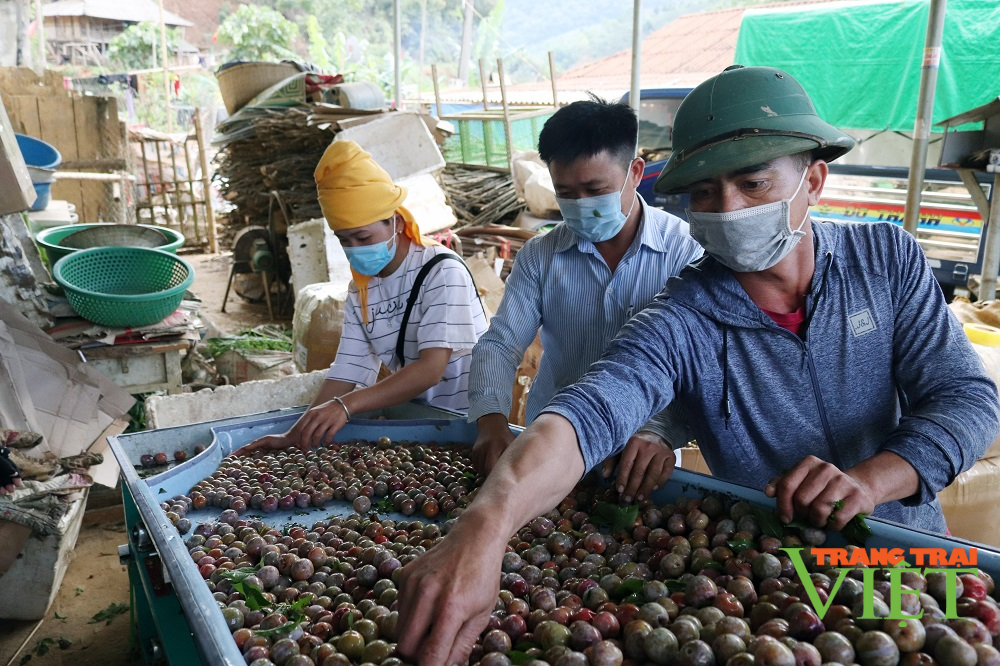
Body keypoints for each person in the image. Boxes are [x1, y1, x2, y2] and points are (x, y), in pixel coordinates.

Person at [394, 65, 1000, 663]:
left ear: (812, 181)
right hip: (774, 580)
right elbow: (590, 410)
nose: (728, 208)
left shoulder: (885, 260)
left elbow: (969, 399)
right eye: (706, 192)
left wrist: (870, 482)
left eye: (753, 184)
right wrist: (483, 529)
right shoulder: (683, 312)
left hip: (905, 558)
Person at [468, 97, 703, 501]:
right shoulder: (541, 257)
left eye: (595, 191)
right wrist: (490, 419)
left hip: (642, 454)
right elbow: (501, 343)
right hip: (551, 446)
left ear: (635, 172)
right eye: (566, 194)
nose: (580, 207)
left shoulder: (685, 252)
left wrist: (660, 431)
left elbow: (700, 363)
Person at [241, 141, 487, 453]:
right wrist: (295, 434)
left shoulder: (442, 272)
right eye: (345, 240)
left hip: (469, 422)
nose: (356, 249)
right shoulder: (361, 290)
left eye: (363, 237)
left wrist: (345, 407)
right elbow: (349, 368)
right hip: (423, 425)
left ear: (395, 222)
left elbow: (430, 368)